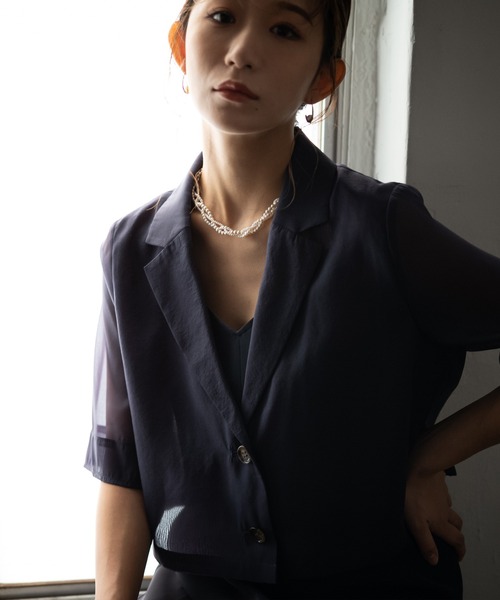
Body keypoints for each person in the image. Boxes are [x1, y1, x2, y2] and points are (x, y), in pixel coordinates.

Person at [84, 0, 500, 598]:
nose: (242, 52)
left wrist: (429, 456)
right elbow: (123, 472)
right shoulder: (129, 250)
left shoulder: (381, 227)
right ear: (180, 44)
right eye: (222, 17)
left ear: (323, 78)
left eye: (283, 29)